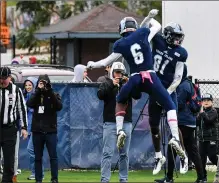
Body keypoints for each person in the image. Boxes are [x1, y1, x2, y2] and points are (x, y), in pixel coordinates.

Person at [87, 9, 186, 159]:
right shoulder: (143, 34)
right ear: (135, 27)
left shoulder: (121, 44)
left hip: (135, 78)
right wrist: (149, 17)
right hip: (151, 77)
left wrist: (92, 64)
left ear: (121, 29)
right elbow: (157, 26)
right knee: (170, 105)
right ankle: (175, 138)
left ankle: (120, 130)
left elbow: (106, 62)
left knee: (120, 99)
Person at [139, 16, 188, 174]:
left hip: (168, 90)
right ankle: (158, 156)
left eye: (179, 36)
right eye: (175, 36)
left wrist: (165, 94)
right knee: (153, 125)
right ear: (167, 34)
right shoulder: (158, 40)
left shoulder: (181, 53)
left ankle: (183, 157)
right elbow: (143, 30)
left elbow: (178, 78)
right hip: (155, 89)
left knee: (173, 126)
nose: (177, 39)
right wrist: (149, 18)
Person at [156, 71, 205, 183]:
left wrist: (166, 102)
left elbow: (179, 103)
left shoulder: (183, 86)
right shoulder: (189, 84)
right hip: (189, 121)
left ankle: (169, 178)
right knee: (192, 150)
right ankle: (201, 177)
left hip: (183, 122)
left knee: (172, 148)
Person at [97, 62, 133, 182]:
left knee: (124, 154)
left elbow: (137, 95)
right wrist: (112, 84)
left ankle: (123, 179)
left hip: (126, 122)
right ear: (112, 73)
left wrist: (131, 84)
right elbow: (100, 95)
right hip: (110, 122)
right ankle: (105, 180)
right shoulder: (107, 82)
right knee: (107, 153)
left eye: (121, 73)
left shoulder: (127, 84)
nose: (119, 75)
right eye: (117, 72)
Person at [27, 74, 63, 183]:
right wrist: (38, 90)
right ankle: (38, 180)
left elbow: (59, 106)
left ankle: (54, 179)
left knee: (53, 157)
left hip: (50, 131)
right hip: (37, 131)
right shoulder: (36, 95)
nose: (43, 85)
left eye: (44, 83)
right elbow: (29, 103)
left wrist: (49, 91)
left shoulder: (54, 94)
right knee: (37, 157)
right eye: (41, 83)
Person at [0, 67, 28, 182]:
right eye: (0, 78)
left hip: (9, 129)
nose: (2, 81)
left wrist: (24, 127)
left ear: (10, 78)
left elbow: (22, 109)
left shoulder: (16, 90)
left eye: (4, 78)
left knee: (9, 161)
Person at [197, 93, 219, 182]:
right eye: (204, 101)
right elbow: (197, 123)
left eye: (208, 100)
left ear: (212, 102)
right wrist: (198, 115)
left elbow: (208, 121)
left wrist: (202, 114)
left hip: (212, 138)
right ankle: (203, 177)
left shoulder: (213, 111)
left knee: (212, 157)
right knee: (201, 158)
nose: (206, 102)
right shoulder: (200, 112)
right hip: (202, 138)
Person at [22, 77, 46, 180]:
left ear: (34, 85)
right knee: (33, 151)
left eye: (30, 85)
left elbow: (42, 112)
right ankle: (35, 173)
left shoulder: (39, 97)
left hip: (37, 128)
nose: (28, 87)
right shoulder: (24, 96)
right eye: (26, 85)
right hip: (28, 128)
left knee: (31, 150)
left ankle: (39, 173)